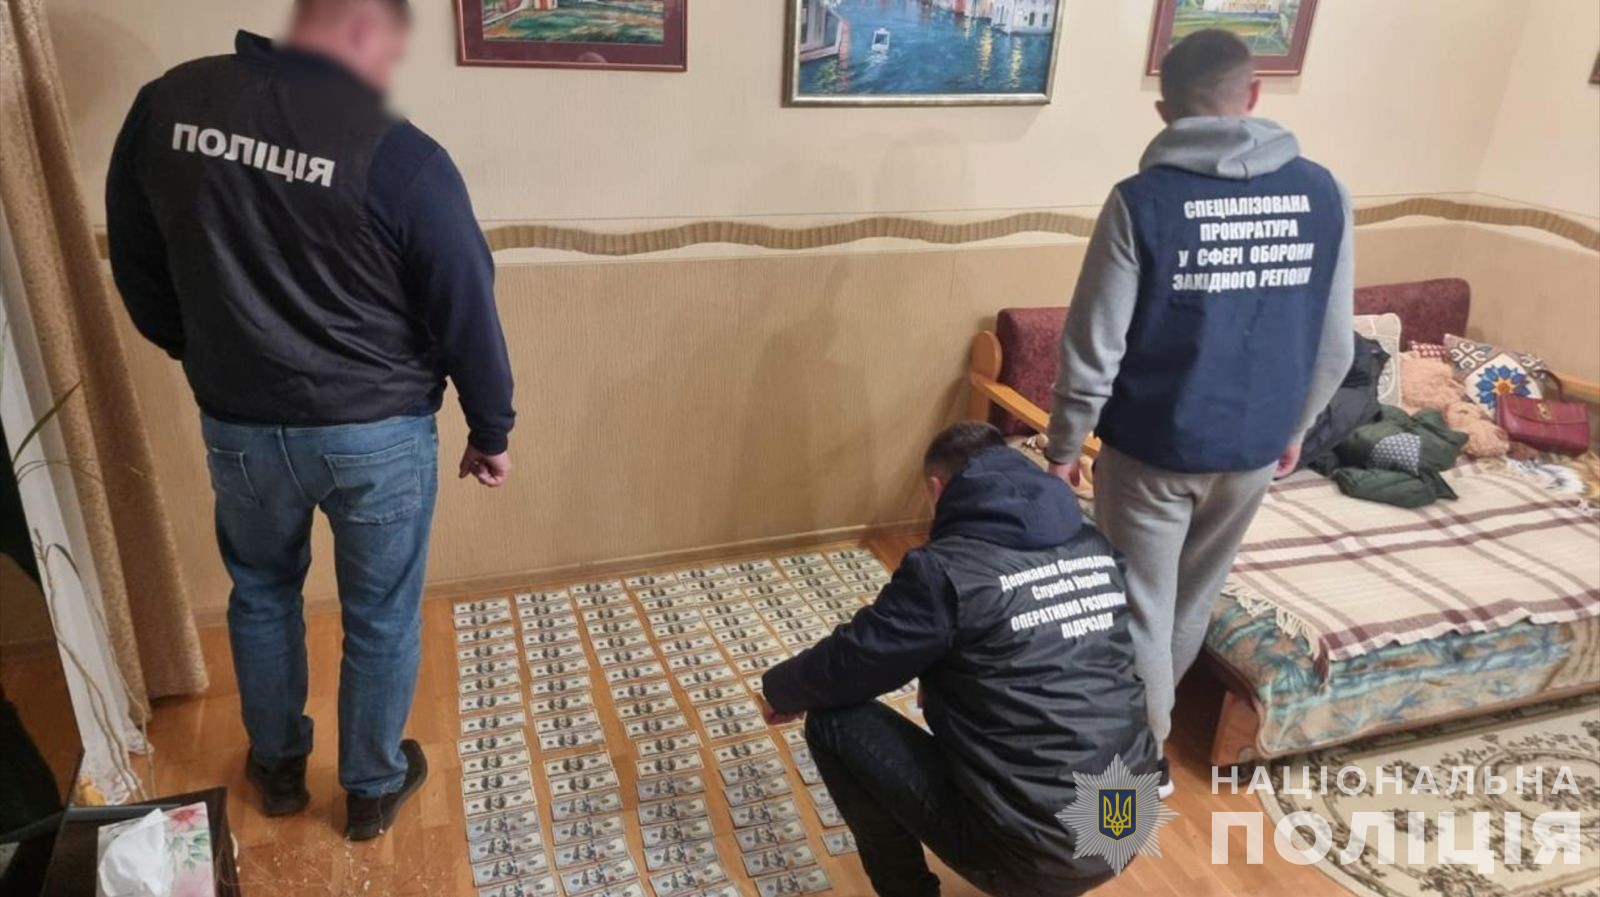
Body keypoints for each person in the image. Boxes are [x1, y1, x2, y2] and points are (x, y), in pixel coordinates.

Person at [105, 0, 515, 840]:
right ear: (360, 28)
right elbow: (465, 300)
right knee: (381, 613)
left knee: (260, 593)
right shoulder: (400, 154)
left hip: (240, 424)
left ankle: (278, 768)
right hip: (378, 433)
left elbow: (139, 258)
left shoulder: (169, 105)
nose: (385, 77)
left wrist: (199, 351)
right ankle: (370, 788)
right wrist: (491, 426)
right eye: (389, 53)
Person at [1043, 29, 1355, 794]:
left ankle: (1137, 763)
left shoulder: (1141, 202)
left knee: (1142, 607)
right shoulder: (1324, 194)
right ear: (1254, 94)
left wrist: (1064, 445)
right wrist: (1295, 428)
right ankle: (1145, 743)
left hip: (1153, 448)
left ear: (1164, 111)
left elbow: (1095, 343)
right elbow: (1336, 345)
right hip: (1253, 450)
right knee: (1189, 601)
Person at [758, 422, 1157, 897]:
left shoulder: (945, 570)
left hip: (1042, 858)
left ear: (937, 489)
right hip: (1127, 824)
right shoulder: (1093, 545)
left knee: (833, 722)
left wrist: (780, 690)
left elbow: (852, 662)